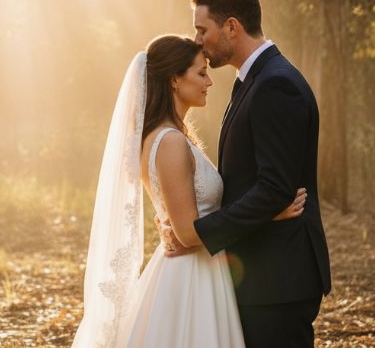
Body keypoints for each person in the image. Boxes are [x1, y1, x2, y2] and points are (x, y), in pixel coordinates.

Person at [71, 35, 306, 348]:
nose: (209, 81)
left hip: (202, 270)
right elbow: (188, 235)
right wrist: (268, 215)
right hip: (190, 278)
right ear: (174, 80)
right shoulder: (170, 143)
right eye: (201, 73)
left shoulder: (171, 137)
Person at [166, 0, 332, 348]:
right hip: (261, 275)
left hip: (278, 279)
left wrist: (199, 235)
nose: (197, 41)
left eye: (202, 29)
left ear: (231, 27)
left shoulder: (275, 85)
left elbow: (275, 188)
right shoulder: (254, 80)